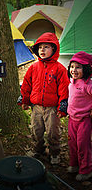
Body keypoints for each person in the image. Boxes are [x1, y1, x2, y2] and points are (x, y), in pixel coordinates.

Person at [19, 32, 70, 165]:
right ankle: (37, 149)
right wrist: (24, 100)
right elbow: (26, 85)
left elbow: (64, 89)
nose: (42, 50)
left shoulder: (60, 69)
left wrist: (63, 106)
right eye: (40, 47)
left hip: (52, 108)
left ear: (54, 49)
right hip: (36, 107)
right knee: (36, 130)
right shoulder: (34, 67)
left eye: (46, 47)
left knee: (53, 132)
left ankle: (54, 153)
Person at [66, 51, 92, 181]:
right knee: (72, 143)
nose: (74, 70)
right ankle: (74, 165)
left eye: (78, 67)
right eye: (72, 66)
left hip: (83, 120)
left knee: (83, 145)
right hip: (72, 119)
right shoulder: (71, 82)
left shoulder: (88, 85)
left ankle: (86, 170)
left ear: (85, 68)